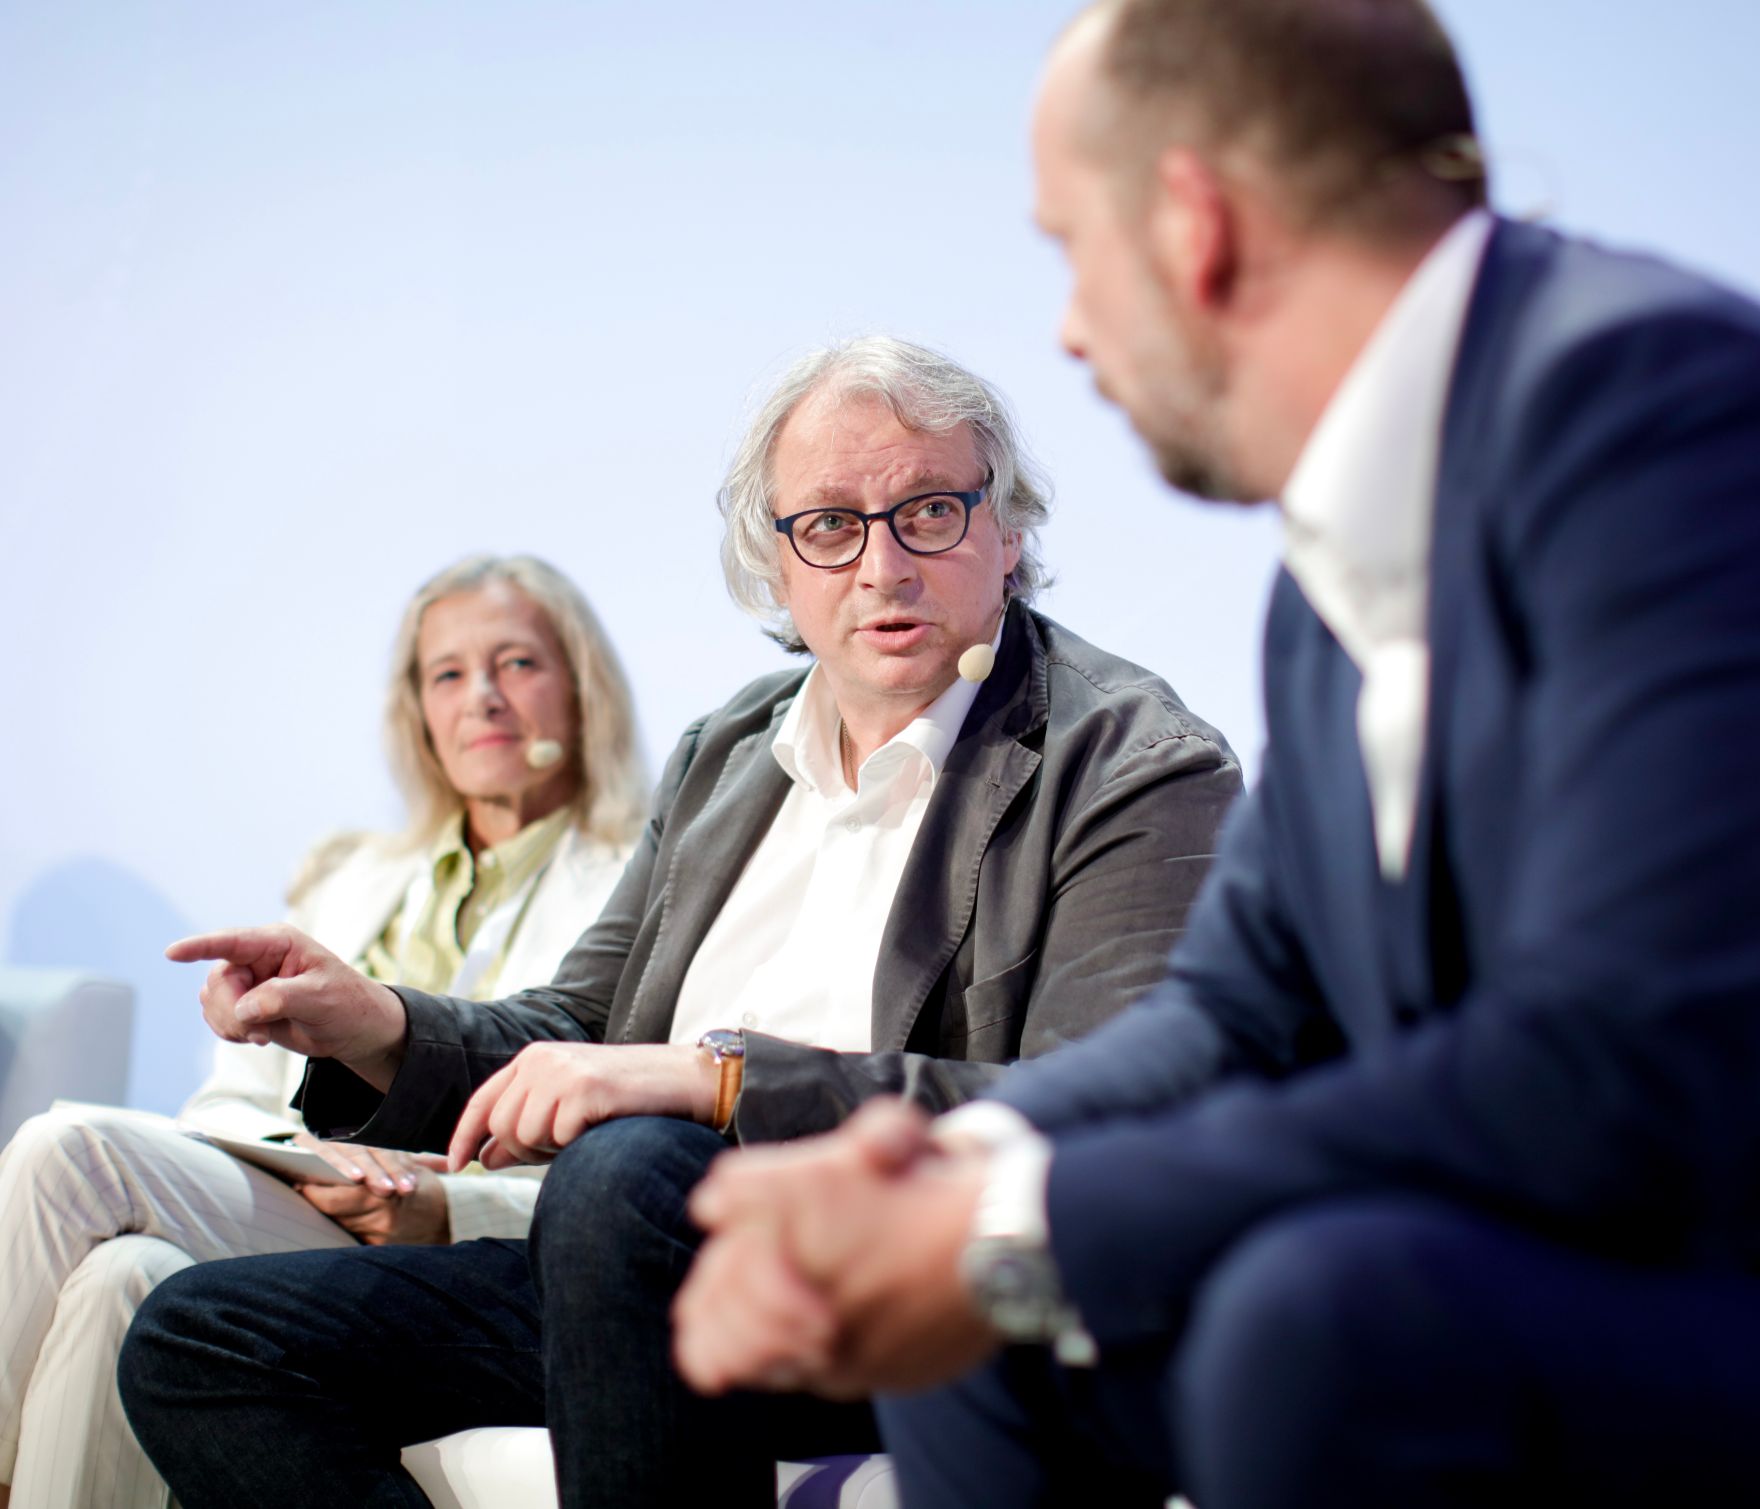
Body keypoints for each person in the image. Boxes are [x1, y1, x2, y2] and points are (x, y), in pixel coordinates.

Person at [670, 3, 1760, 1506]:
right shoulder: (1329, 573)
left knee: (1319, 1314)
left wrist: (1020, 1213)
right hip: (1500, 1259)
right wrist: (942, 1173)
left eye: (1070, 247)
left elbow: (1615, 1056)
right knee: (989, 1333)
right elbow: (1236, 1014)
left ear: (1192, 224)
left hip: (1697, 1269)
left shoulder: (1648, 407)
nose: (1067, 325)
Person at [115, 336, 1242, 1508]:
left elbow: (1101, 1108)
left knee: (628, 1168)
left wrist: (717, 1084)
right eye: (830, 526)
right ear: (776, 564)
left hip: (917, 1287)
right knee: (199, 1343)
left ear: (1006, 533)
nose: (880, 566)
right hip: (636, 1274)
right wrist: (375, 1026)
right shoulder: (729, 753)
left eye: (928, 512)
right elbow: (579, 1027)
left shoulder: (1127, 761)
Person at [0, 552, 645, 1509]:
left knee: (67, 1152)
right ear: (418, 712)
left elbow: (626, 1162)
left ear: (582, 691)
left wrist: (454, 1208)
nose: (485, 700)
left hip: (460, 1244)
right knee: (118, 1276)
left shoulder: (639, 888)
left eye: (518, 664)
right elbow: (226, 1100)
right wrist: (295, 1146)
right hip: (301, 1202)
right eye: (450, 674)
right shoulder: (347, 877)